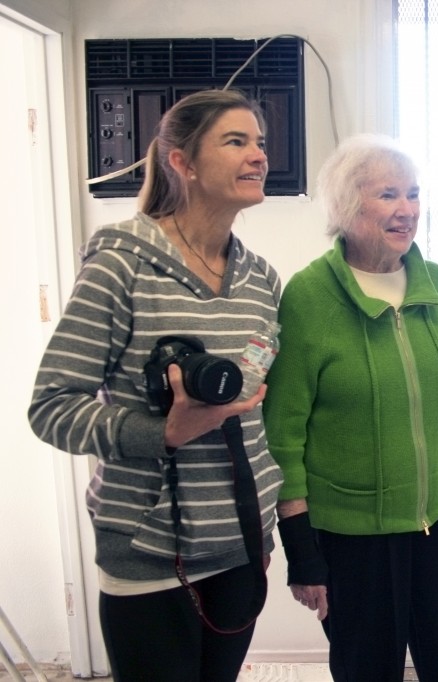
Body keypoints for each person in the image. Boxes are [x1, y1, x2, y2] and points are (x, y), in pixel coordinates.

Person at [28, 89, 284, 682]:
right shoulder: (123, 264)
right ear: (183, 162)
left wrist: (268, 525)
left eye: (260, 142)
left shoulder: (260, 280)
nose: (258, 156)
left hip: (242, 542)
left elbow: (254, 407)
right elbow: (50, 407)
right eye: (236, 141)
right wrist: (161, 432)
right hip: (148, 553)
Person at [263, 133, 438, 682]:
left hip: (435, 521)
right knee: (366, 669)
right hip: (351, 537)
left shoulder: (434, 283)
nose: (407, 210)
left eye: (413, 194)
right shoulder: (309, 297)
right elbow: (284, 434)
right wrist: (300, 548)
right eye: (389, 195)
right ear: (347, 206)